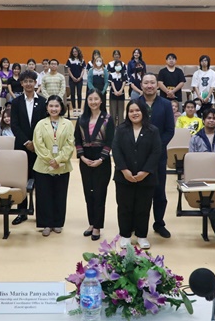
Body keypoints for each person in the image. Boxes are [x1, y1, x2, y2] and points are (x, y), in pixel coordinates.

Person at [112, 99, 162, 249]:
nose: (134, 113)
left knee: (143, 207)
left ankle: (141, 236)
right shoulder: (121, 129)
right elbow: (116, 150)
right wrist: (124, 170)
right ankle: (125, 235)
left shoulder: (153, 130)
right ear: (127, 113)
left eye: (137, 110)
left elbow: (156, 152)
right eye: (131, 111)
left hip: (146, 177)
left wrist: (145, 172)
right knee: (124, 206)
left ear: (143, 112)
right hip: (124, 176)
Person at [75, 90, 114, 241]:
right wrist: (82, 157)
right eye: (90, 99)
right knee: (88, 193)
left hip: (102, 160)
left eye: (96, 99)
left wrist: (101, 158)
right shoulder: (81, 118)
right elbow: (77, 140)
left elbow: (110, 141)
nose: (93, 102)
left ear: (101, 101)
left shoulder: (107, 118)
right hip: (85, 159)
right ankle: (91, 223)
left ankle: (97, 226)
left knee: (99, 194)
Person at [33, 95, 75, 237]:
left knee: (60, 195)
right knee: (44, 195)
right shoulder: (40, 124)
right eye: (51, 106)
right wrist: (50, 159)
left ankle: (57, 222)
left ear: (61, 107)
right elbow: (38, 144)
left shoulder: (68, 124)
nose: (54, 109)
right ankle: (45, 223)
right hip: (43, 166)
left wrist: (58, 160)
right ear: (47, 108)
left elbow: (70, 144)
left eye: (56, 106)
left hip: (62, 166)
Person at [9, 70, 47, 225]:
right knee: (21, 180)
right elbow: (14, 125)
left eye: (31, 81)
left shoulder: (43, 101)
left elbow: (45, 125)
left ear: (36, 83)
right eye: (26, 81)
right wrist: (26, 142)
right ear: (21, 83)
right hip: (21, 147)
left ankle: (42, 214)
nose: (29, 84)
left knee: (40, 181)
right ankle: (22, 212)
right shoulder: (16, 102)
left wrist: (36, 143)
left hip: (39, 148)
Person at [140, 73, 175, 238]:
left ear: (157, 85)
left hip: (159, 155)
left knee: (159, 191)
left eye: (152, 83)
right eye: (146, 83)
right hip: (139, 156)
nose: (149, 86)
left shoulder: (166, 104)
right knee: (140, 192)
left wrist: (156, 148)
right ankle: (138, 224)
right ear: (141, 85)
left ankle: (159, 223)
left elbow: (169, 130)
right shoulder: (135, 104)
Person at [65, 46, 86, 113]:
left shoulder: (82, 60)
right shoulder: (69, 60)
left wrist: (80, 77)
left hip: (80, 79)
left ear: (78, 52)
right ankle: (74, 108)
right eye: (73, 52)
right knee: (73, 94)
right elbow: (68, 69)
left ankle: (79, 108)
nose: (75, 53)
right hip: (72, 80)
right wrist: (72, 77)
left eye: (76, 51)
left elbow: (83, 70)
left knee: (79, 94)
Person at [108, 57, 127, 128]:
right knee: (113, 111)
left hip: (121, 94)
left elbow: (124, 83)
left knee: (121, 111)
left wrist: (121, 91)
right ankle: (112, 127)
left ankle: (120, 127)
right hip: (113, 94)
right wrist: (115, 91)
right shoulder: (111, 74)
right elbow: (112, 83)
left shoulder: (124, 75)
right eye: (116, 65)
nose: (118, 66)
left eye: (119, 65)